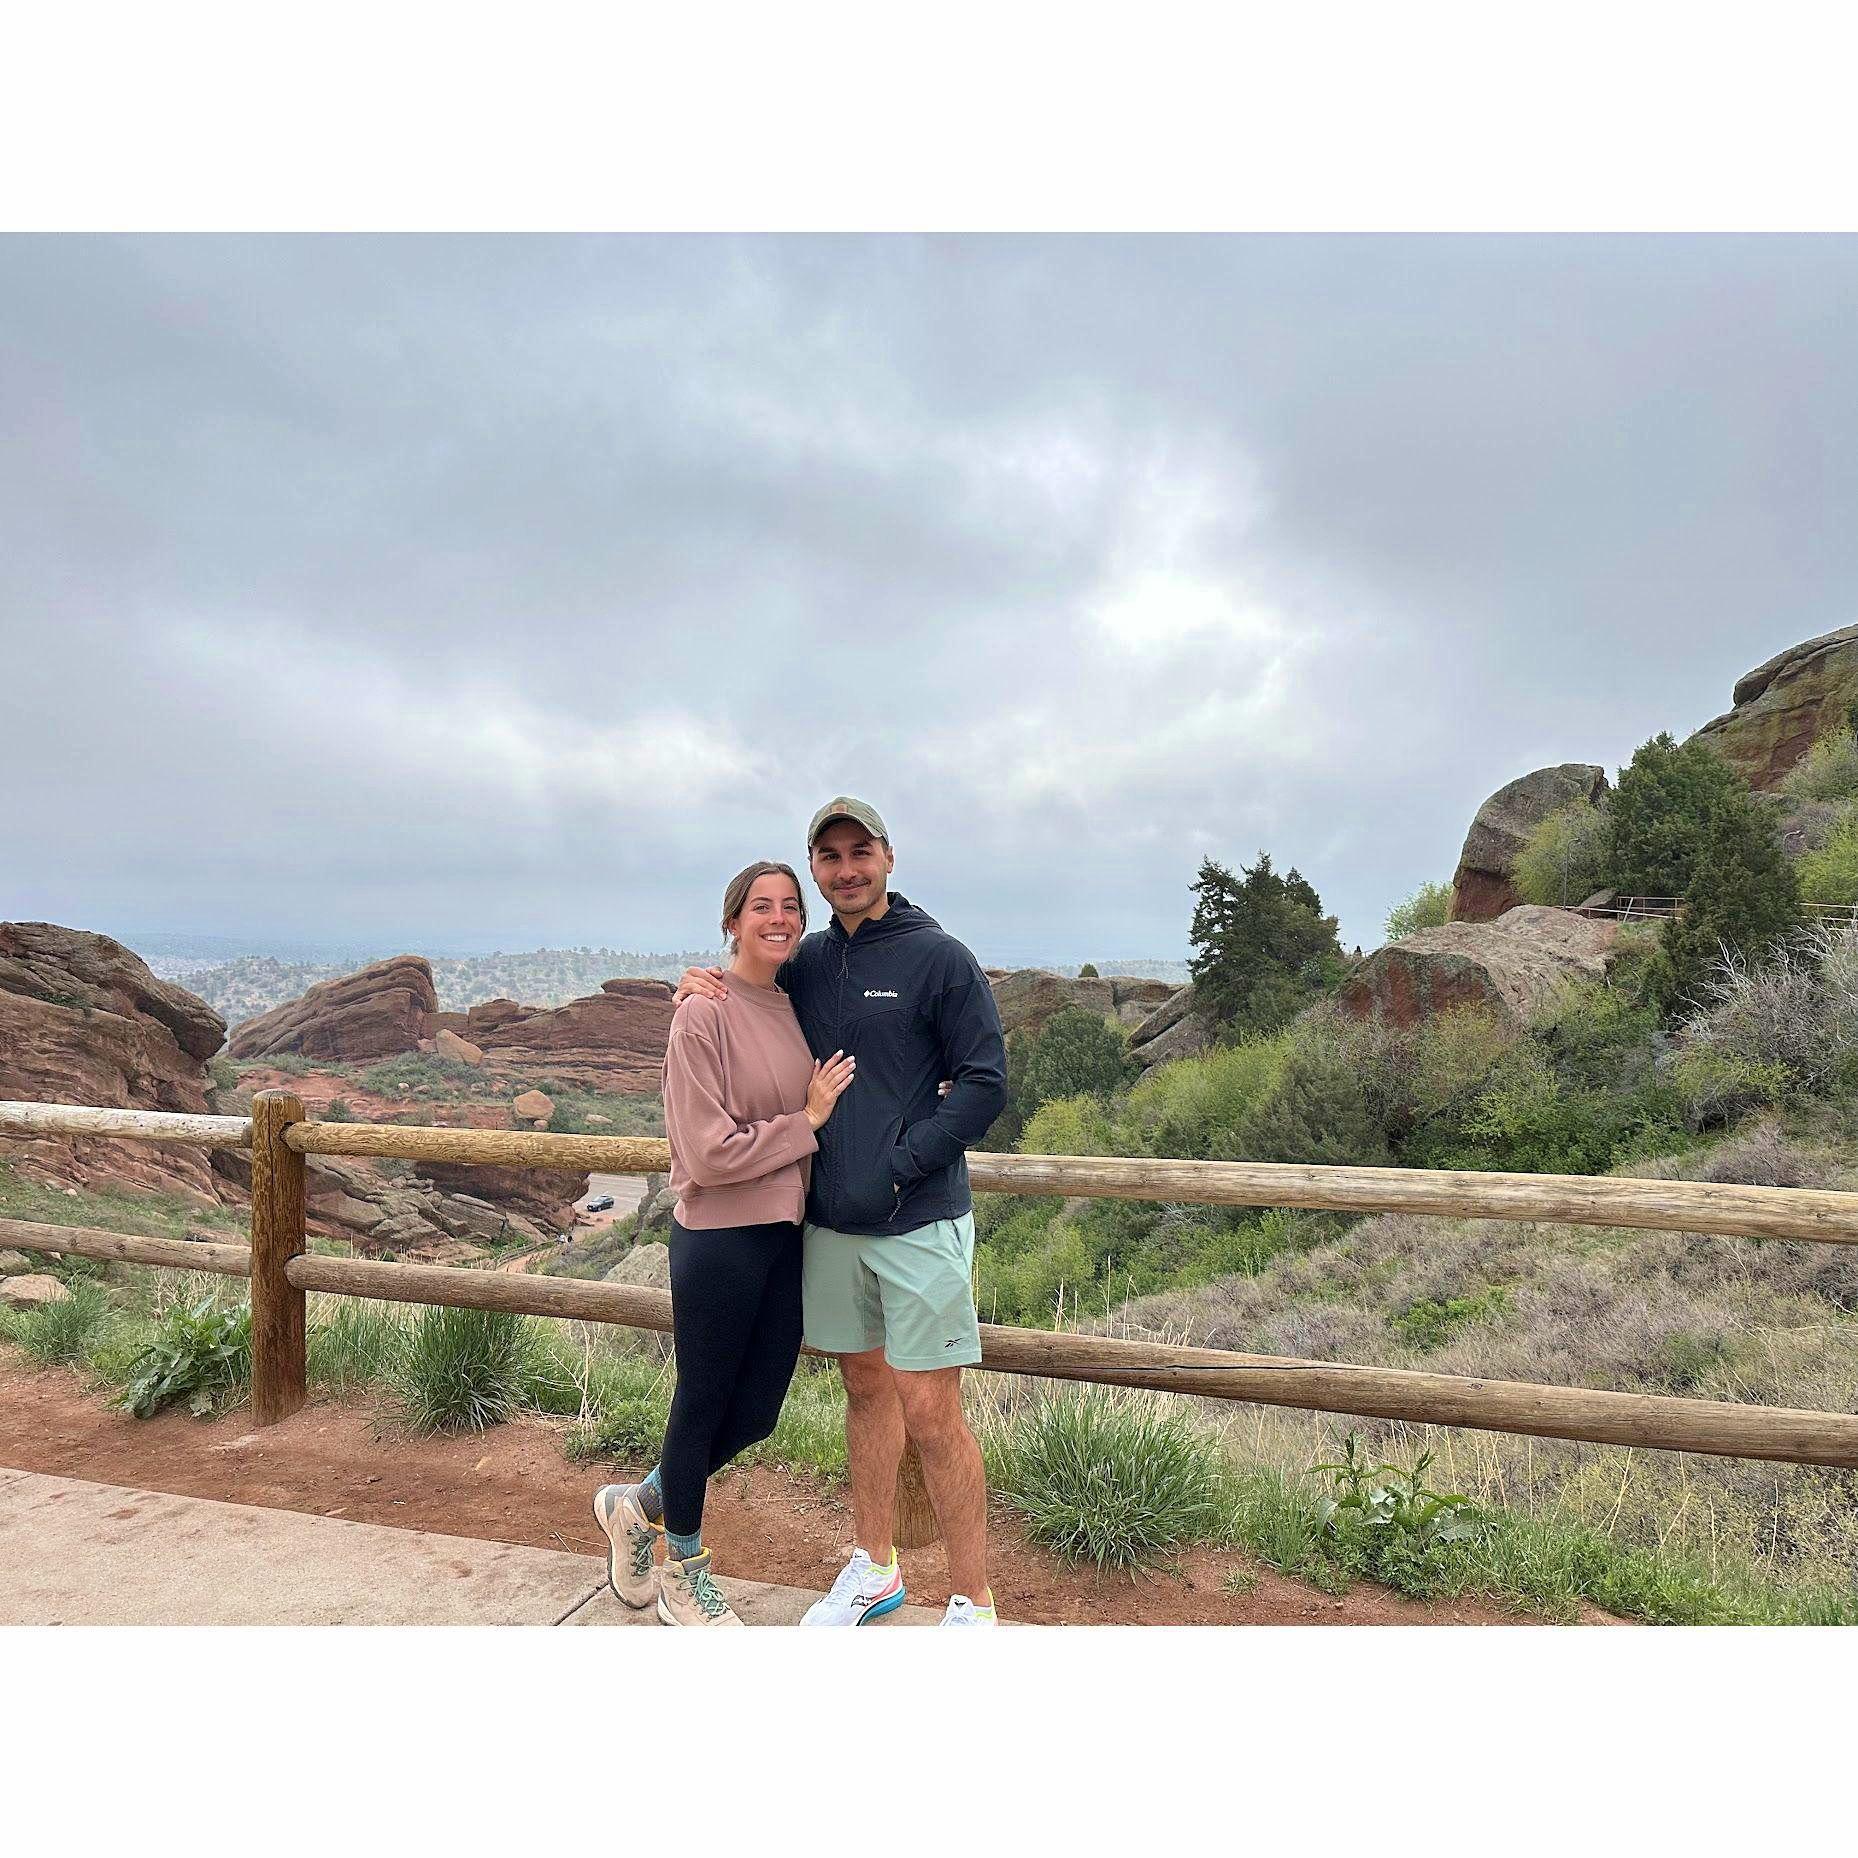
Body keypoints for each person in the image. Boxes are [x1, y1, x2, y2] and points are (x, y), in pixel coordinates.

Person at [678, 798, 1008, 1627]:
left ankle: (973, 1601)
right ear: (816, 870)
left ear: (889, 858)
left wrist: (901, 1166)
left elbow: (983, 1085)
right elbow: (743, 992)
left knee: (933, 1412)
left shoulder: (941, 959)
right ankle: (876, 1569)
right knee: (865, 1394)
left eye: (860, 852)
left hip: (920, 1221)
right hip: (831, 1228)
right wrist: (695, 981)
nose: (845, 869)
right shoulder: (810, 961)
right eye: (829, 857)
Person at [594, 861, 856, 1628]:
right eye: (760, 907)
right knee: (702, 1402)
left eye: (790, 909)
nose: (778, 919)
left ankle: (636, 1506)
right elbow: (706, 1153)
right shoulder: (700, 1014)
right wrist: (803, 1124)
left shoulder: (791, 1001)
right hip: (718, 1236)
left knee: (757, 1413)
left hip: (781, 1235)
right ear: (732, 922)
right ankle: (685, 1571)